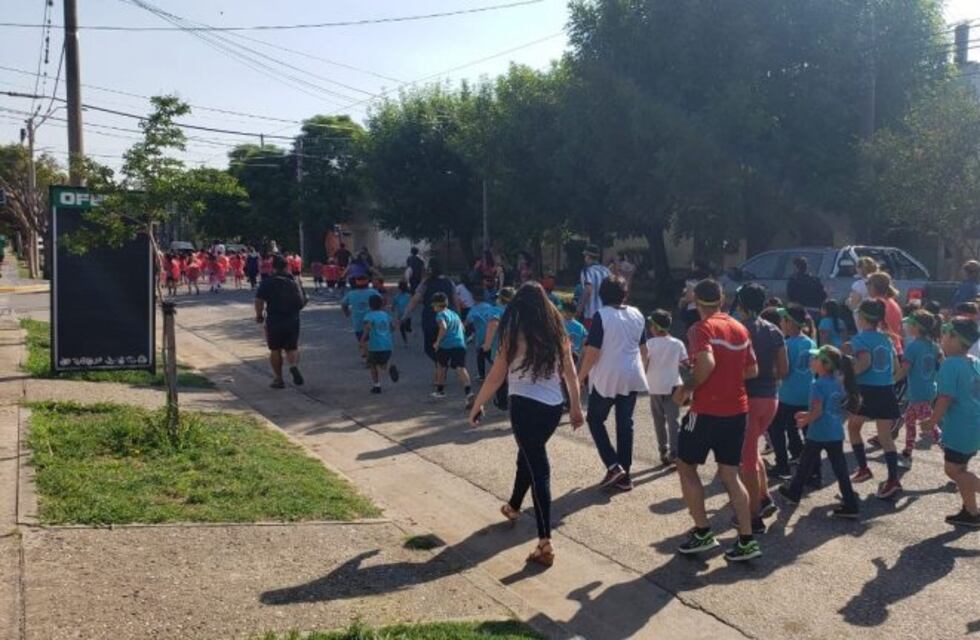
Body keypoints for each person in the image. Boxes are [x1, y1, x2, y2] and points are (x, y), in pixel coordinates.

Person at [467, 282, 586, 567]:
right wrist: (575, 407)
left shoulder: (513, 332)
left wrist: (477, 405)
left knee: (539, 468)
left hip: (523, 406)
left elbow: (496, 376)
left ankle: (545, 542)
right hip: (551, 409)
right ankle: (514, 506)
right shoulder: (559, 333)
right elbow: (571, 374)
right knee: (528, 457)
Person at [672, 279, 761, 562]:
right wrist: (725, 375)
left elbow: (708, 362)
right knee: (730, 475)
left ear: (696, 302)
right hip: (738, 410)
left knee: (686, 466)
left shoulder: (700, 328)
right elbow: (752, 370)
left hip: (707, 410)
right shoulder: (739, 328)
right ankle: (747, 540)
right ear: (722, 300)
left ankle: (702, 532)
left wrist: (687, 388)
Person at [577, 275, 649, 492]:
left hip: (607, 376)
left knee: (596, 419)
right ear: (625, 294)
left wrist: (580, 378)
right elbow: (644, 350)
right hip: (631, 375)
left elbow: (592, 352)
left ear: (601, 296)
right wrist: (641, 371)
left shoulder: (602, 316)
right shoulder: (637, 314)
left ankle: (613, 464)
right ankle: (625, 474)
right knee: (625, 424)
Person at [777, 346, 861, 518]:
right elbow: (829, 407)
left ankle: (793, 494)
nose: (811, 361)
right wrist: (807, 415)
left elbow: (818, 411)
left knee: (804, 465)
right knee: (840, 469)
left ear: (825, 365)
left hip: (818, 432)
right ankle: (850, 503)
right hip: (835, 432)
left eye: (815, 359)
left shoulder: (817, 384)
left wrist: (804, 420)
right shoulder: (838, 384)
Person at [734, 284, 788, 530]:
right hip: (771, 398)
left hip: (748, 399)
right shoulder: (774, 330)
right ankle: (764, 497)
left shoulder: (738, 330)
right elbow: (784, 370)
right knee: (753, 450)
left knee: (746, 461)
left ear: (741, 304)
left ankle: (753, 516)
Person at [921, 317, 980, 528]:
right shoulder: (974, 361)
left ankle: (972, 509)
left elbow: (946, 397)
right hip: (973, 425)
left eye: (945, 332)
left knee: (953, 471)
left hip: (961, 428)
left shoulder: (951, 364)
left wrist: (932, 421)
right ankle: (971, 512)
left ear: (955, 339)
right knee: (961, 468)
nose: (942, 337)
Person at [846, 299, 902, 498]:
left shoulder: (859, 340)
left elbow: (864, 363)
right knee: (885, 437)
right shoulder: (887, 339)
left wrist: (849, 373)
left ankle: (863, 468)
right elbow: (895, 367)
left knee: (853, 427)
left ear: (862, 318)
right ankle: (893, 479)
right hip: (886, 390)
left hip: (867, 391)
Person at [768, 305, 816, 480]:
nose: (780, 322)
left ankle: (782, 464)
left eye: (783, 319)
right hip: (807, 393)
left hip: (788, 395)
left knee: (775, 427)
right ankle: (807, 464)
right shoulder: (810, 342)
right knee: (804, 429)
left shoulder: (787, 344)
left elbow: (784, 371)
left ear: (789, 323)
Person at [894, 310, 941, 460]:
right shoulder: (933, 345)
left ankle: (947, 447)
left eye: (909, 323)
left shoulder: (912, 347)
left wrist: (890, 381)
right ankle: (908, 450)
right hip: (929, 389)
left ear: (916, 327)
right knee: (909, 420)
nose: (906, 326)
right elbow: (942, 362)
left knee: (930, 425)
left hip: (918, 393)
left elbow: (904, 369)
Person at [255, 255, 306, 389]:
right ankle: (293, 366)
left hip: (274, 319)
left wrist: (259, 315)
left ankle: (278, 379)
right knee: (292, 347)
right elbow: (303, 300)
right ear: (286, 266)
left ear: (273, 267)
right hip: (292, 318)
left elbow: (259, 300)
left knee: (275, 349)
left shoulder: (267, 282)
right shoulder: (294, 281)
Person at [644, 309, 688, 468]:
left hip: (654, 386)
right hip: (674, 386)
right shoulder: (678, 343)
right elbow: (685, 363)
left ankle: (663, 450)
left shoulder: (649, 344)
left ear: (655, 327)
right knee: (673, 421)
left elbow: (644, 364)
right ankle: (675, 453)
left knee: (658, 421)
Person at [401, 258, 457, 363]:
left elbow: (414, 300)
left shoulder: (426, 283)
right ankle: (442, 364)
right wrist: (458, 316)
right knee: (444, 344)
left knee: (429, 347)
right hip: (447, 318)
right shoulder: (449, 282)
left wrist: (406, 315)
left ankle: (440, 364)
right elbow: (456, 301)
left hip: (430, 318)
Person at [430, 292, 473, 402]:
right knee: (460, 368)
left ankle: (440, 391)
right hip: (460, 344)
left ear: (437, 305)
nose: (432, 307)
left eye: (433, 305)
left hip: (446, 345)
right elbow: (462, 328)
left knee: (441, 366)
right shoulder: (454, 314)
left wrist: (437, 342)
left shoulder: (440, 315)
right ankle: (469, 392)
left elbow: (443, 327)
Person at [361, 295, 400, 394]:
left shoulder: (369, 315)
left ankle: (377, 385)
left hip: (375, 346)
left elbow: (367, 328)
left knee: (373, 365)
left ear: (370, 305)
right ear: (381, 304)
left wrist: (362, 340)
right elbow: (393, 327)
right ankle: (390, 368)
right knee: (384, 363)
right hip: (387, 345)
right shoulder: (386, 315)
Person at [341, 276, 382, 359]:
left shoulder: (351, 294)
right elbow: (381, 300)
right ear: (367, 282)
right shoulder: (373, 292)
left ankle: (367, 355)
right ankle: (370, 354)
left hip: (358, 321)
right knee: (372, 338)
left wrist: (346, 312)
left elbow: (343, 304)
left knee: (362, 338)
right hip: (372, 319)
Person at [576, 244, 612, 329]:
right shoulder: (606, 271)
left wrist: (579, 309)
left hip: (591, 314)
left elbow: (588, 290)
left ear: (587, 257)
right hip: (607, 313)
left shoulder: (587, 271)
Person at [466, 286, 495, 379]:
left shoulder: (474, 309)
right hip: (491, 333)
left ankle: (482, 374)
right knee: (489, 353)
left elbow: (469, 320)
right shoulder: (489, 306)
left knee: (481, 355)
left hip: (480, 335)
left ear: (473, 298)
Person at [847, 256, 878, 321]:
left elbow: (854, 305)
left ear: (860, 269)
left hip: (863, 317)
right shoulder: (879, 282)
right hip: (877, 314)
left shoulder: (858, 285)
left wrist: (847, 302)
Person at [392, 281, 413, 347]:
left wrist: (393, 308)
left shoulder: (398, 296)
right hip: (407, 315)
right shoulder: (408, 296)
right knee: (403, 328)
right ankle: (406, 341)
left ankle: (406, 341)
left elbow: (394, 304)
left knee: (404, 329)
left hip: (402, 315)